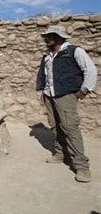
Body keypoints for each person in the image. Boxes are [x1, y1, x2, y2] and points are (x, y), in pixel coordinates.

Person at [36, 25, 97, 183]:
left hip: (66, 96)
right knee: (55, 126)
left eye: (48, 36)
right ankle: (60, 154)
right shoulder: (47, 54)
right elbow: (43, 73)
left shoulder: (75, 51)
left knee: (70, 128)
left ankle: (81, 166)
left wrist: (84, 90)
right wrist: (41, 90)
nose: (45, 39)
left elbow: (90, 70)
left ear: (57, 37)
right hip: (50, 95)